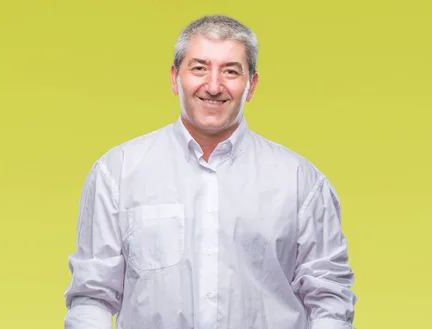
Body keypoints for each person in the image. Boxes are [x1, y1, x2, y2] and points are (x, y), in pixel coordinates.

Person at [63, 15, 357, 329]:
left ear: (251, 85)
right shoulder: (117, 173)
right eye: (199, 68)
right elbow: (92, 298)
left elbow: (331, 302)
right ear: (175, 78)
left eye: (230, 71)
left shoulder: (301, 182)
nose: (214, 86)